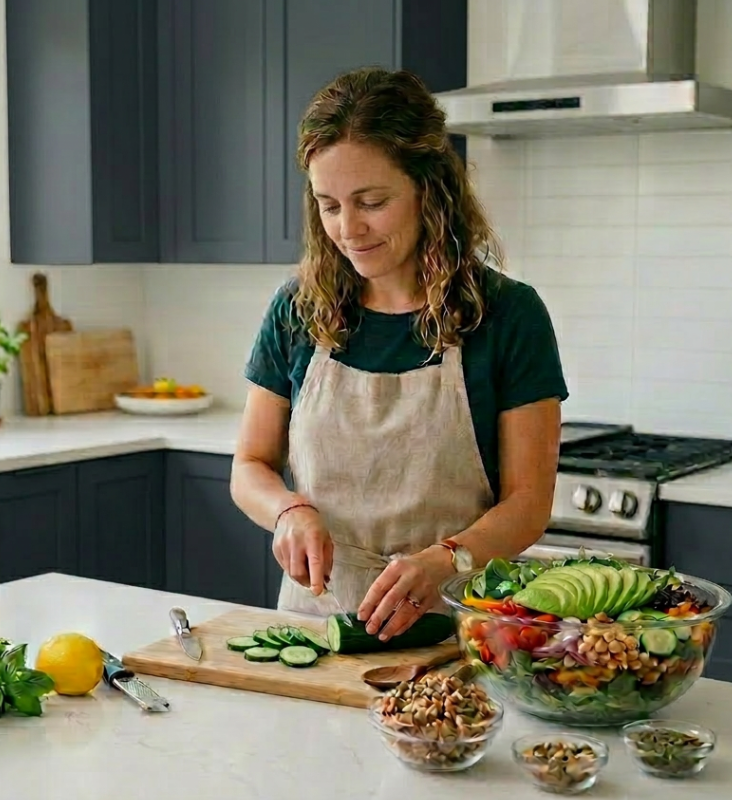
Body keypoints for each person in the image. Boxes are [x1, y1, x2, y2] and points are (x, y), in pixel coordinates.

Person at [230, 67, 568, 643]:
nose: (348, 228)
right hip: (314, 628)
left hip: (456, 629)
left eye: (371, 202)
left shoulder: (510, 315)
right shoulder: (298, 308)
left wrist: (448, 560)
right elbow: (249, 467)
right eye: (328, 205)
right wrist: (287, 511)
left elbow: (529, 503)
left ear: (428, 188)